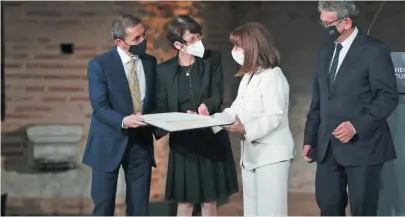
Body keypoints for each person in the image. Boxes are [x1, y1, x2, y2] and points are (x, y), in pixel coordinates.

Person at [303, 1, 399, 216]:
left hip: (364, 147)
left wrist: (356, 126)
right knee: (327, 206)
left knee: (363, 209)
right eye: (321, 22)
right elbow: (318, 100)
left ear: (346, 22)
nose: (323, 27)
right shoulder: (325, 51)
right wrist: (310, 139)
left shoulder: (374, 50)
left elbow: (387, 97)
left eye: (328, 23)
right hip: (327, 148)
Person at [154, 15, 239, 216]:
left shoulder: (212, 60)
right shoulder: (164, 71)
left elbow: (217, 95)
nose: (197, 42)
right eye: (191, 40)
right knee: (185, 202)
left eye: (198, 37)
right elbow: (161, 105)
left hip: (210, 136)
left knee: (209, 201)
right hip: (184, 142)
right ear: (178, 44)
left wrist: (205, 107)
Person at [213, 22, 295, 216]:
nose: (233, 51)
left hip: (272, 156)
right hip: (251, 156)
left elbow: (275, 116)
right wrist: (207, 120)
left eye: (237, 46)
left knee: (270, 212)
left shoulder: (273, 76)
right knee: (252, 212)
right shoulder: (249, 76)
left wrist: (245, 128)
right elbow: (235, 109)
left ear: (252, 47)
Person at [82, 15, 159, 216]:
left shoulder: (150, 62)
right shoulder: (99, 65)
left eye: (144, 36)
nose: (143, 42)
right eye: (136, 39)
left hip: (140, 143)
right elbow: (99, 107)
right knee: (104, 206)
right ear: (120, 42)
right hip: (107, 142)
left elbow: (156, 100)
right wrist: (124, 120)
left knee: (139, 208)